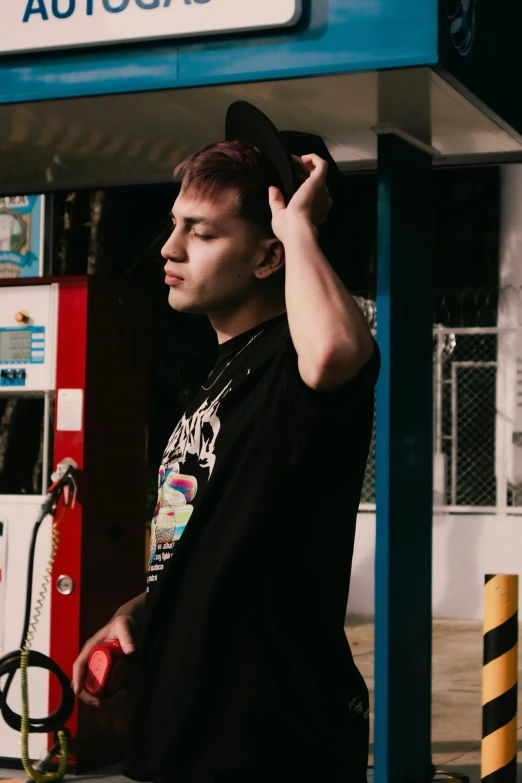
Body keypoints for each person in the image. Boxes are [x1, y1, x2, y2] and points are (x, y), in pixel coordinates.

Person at [72, 103, 380, 783]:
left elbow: (333, 351)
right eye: (176, 224)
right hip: (181, 738)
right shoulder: (219, 375)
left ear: (268, 254)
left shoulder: (293, 361)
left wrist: (299, 226)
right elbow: (214, 541)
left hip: (269, 745)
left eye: (201, 232)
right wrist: (144, 612)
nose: (168, 247)